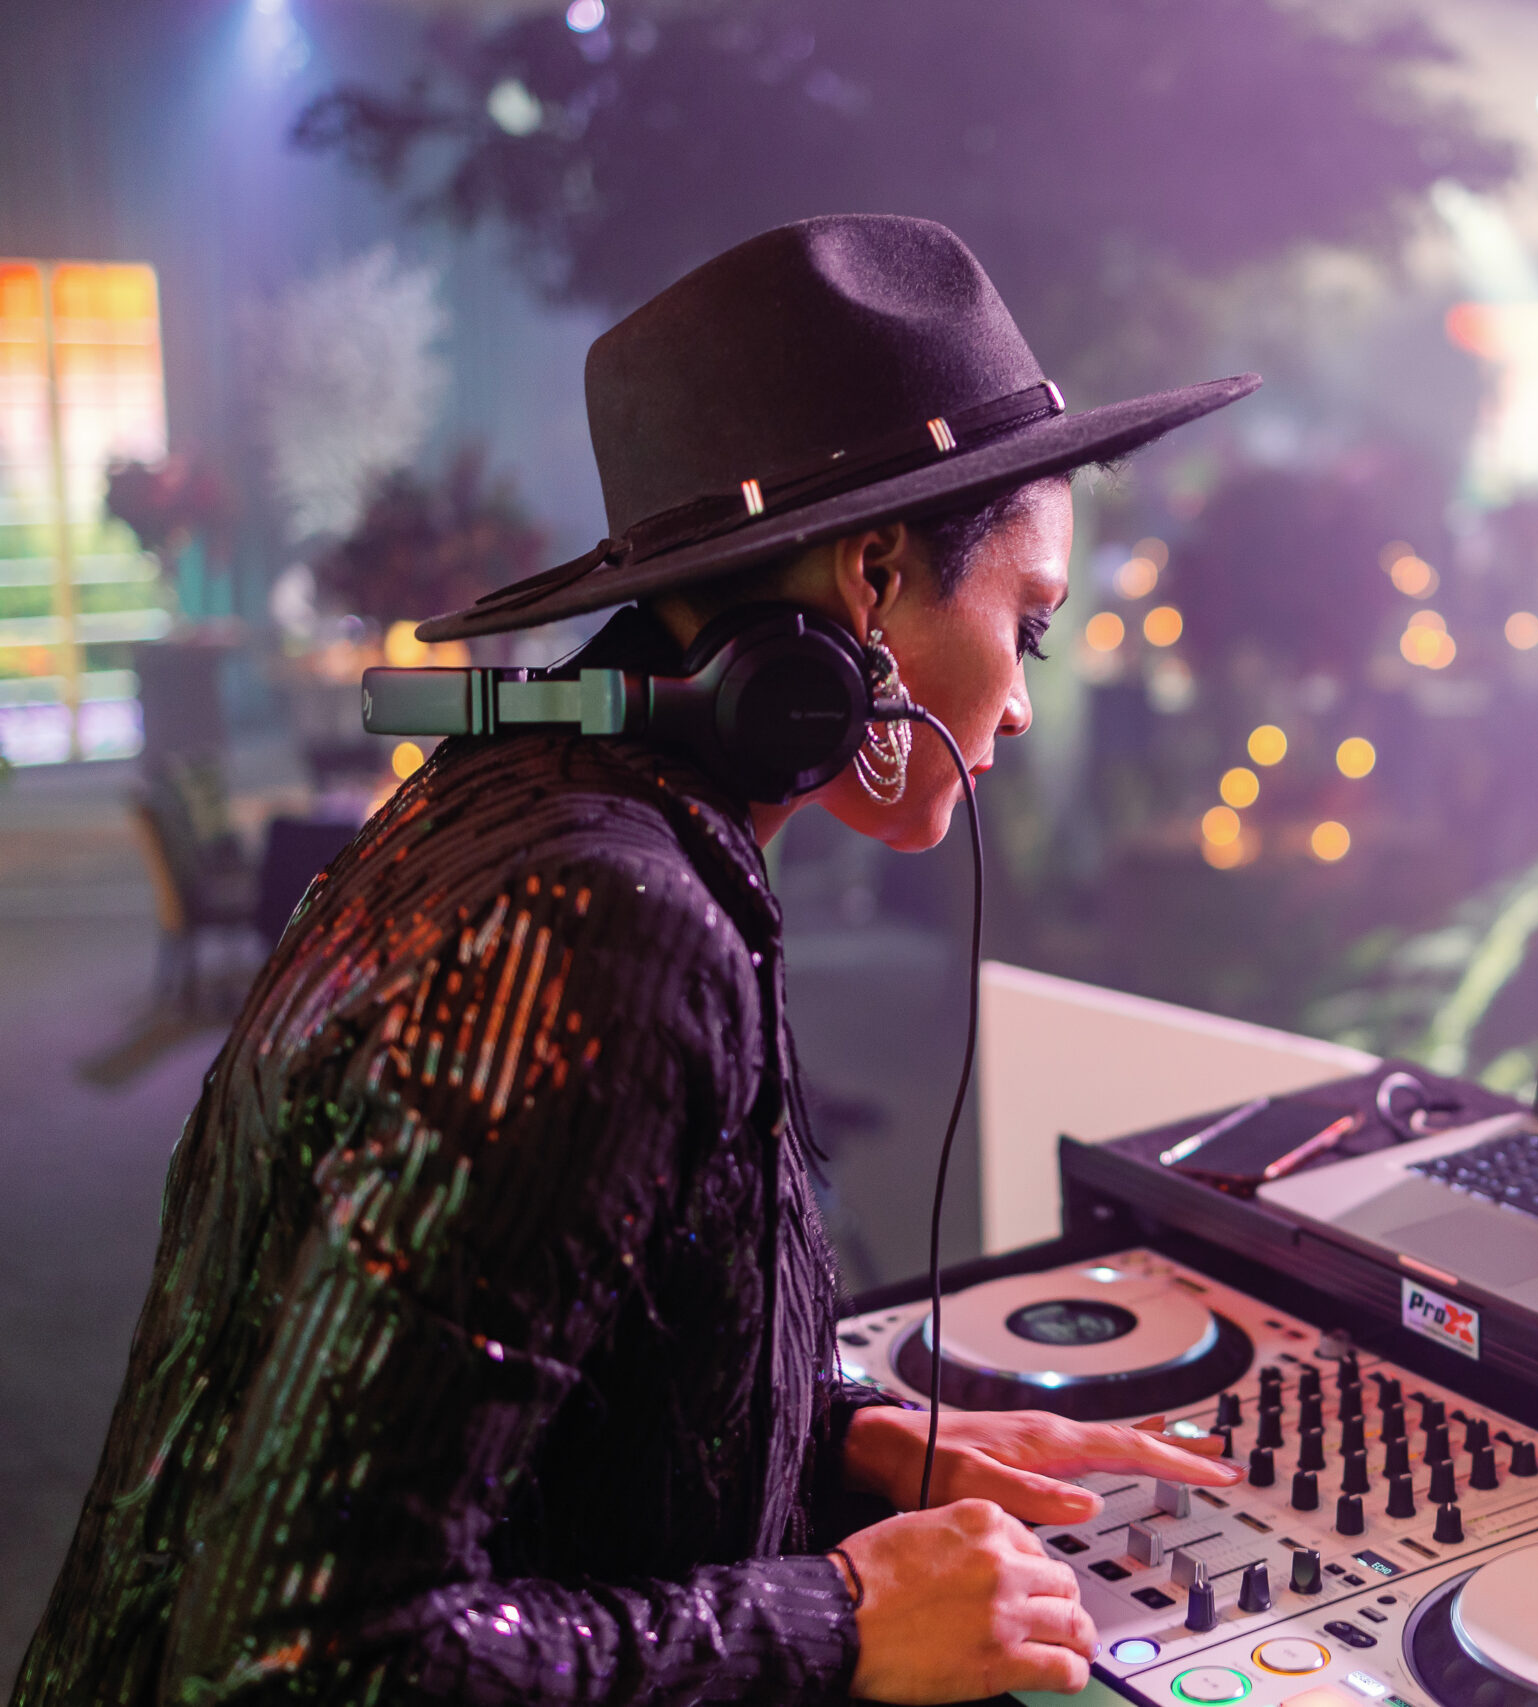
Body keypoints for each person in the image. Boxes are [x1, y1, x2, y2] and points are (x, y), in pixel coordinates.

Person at [13, 216, 1259, 1706]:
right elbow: (305, 1663)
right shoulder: (605, 923)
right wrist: (844, 1620)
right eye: (1029, 629)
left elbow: (545, 1403)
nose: (1025, 708)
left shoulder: (534, 810)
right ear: (869, 585)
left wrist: (831, 1433)